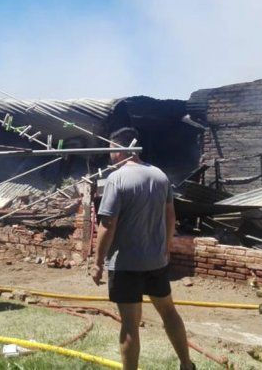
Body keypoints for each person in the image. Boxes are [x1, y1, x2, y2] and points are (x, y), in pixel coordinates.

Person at [91, 127, 194, 370]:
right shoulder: (160, 175)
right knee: (169, 312)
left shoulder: (116, 179)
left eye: (112, 151)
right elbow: (171, 216)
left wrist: (97, 262)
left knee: (129, 324)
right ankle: (187, 365)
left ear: (122, 150)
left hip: (126, 265)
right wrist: (166, 245)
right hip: (156, 262)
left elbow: (107, 224)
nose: (110, 157)